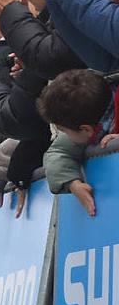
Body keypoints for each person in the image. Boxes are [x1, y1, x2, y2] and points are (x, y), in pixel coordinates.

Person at [38, 69, 118, 217]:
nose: (65, 135)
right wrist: (73, 184)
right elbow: (57, 152)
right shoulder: (88, 121)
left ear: (85, 130)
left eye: (65, 131)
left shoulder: (85, 126)